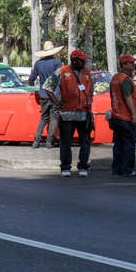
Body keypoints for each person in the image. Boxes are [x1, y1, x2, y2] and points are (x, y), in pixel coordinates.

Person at [47, 49, 95, 177]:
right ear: (74, 60)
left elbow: (91, 90)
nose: (84, 62)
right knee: (66, 141)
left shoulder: (87, 73)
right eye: (81, 60)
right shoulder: (62, 71)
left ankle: (83, 166)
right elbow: (47, 86)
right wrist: (56, 102)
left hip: (84, 113)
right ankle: (65, 167)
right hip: (67, 114)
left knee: (85, 141)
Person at [108, 53, 136, 178]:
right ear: (124, 64)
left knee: (118, 145)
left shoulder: (115, 78)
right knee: (128, 144)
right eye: (131, 63)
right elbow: (127, 97)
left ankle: (116, 169)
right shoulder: (125, 79)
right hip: (125, 117)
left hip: (116, 116)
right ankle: (127, 169)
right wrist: (134, 115)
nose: (133, 65)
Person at [29, 43, 63, 148]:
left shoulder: (38, 63)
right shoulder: (57, 63)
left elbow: (32, 78)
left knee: (43, 118)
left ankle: (36, 141)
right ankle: (49, 142)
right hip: (55, 94)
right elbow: (61, 78)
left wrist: (32, 71)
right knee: (53, 118)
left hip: (43, 94)